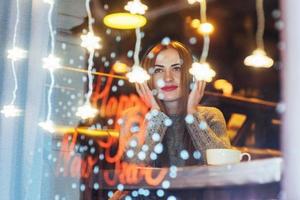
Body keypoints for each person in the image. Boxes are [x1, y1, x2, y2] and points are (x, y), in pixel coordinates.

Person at [110, 41, 231, 199]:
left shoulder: (210, 116)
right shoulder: (133, 117)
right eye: (159, 70)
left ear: (188, 75)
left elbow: (225, 169)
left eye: (176, 68)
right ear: (149, 77)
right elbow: (132, 168)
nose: (168, 78)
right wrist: (155, 115)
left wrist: (192, 113)